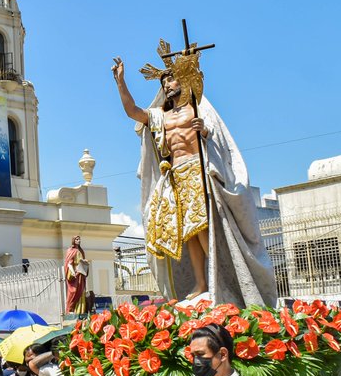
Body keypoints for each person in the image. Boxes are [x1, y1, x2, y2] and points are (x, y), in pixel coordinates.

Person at [112, 49, 276, 305]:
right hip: (176, 176)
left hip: (197, 172)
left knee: (200, 227)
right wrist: (121, 82)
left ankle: (217, 276)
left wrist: (205, 131)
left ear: (183, 81)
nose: (167, 85)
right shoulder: (161, 116)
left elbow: (218, 140)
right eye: (164, 82)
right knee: (189, 233)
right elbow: (133, 111)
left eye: (171, 79)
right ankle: (201, 282)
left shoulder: (197, 109)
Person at [63, 236, 89, 314]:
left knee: (81, 292)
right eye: (77, 239)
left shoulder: (81, 251)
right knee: (74, 292)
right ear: (73, 241)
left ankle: (80, 311)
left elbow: (83, 261)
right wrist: (72, 272)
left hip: (82, 274)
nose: (79, 240)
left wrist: (85, 263)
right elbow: (69, 263)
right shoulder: (70, 250)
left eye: (79, 239)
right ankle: (71, 310)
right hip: (75, 274)